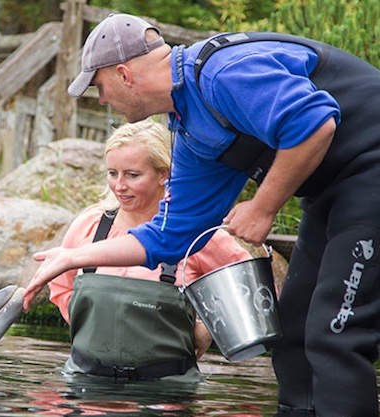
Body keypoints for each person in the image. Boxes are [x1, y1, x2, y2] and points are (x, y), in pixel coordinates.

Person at [23, 13, 380, 417]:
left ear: (123, 74)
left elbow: (315, 122)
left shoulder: (222, 73)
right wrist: (72, 258)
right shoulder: (191, 129)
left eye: (98, 86)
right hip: (329, 192)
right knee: (294, 331)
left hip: (370, 174)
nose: (101, 99)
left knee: (336, 332)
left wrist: (262, 209)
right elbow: (170, 237)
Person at [48, 119, 250, 379]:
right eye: (112, 173)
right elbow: (61, 286)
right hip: (85, 380)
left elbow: (247, 291)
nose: (119, 186)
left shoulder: (194, 233)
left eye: (132, 175)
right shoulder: (91, 225)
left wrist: (207, 329)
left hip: (166, 389)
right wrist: (91, 329)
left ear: (163, 174)